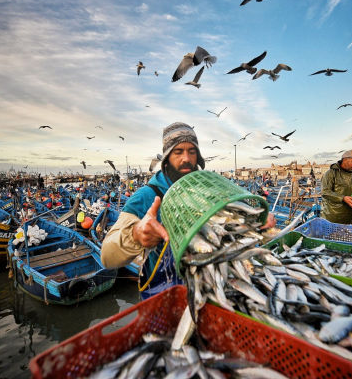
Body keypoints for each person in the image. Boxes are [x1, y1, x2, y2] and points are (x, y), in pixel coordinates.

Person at [101, 122, 276, 299]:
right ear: (167, 157)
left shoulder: (211, 189)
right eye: (178, 152)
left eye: (192, 151)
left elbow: (231, 230)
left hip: (213, 291)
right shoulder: (147, 196)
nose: (186, 158)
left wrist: (256, 222)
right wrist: (135, 235)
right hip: (165, 298)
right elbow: (107, 257)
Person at [320, 150, 352, 224]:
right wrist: (343, 198)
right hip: (335, 216)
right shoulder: (330, 174)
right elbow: (325, 192)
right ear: (345, 160)